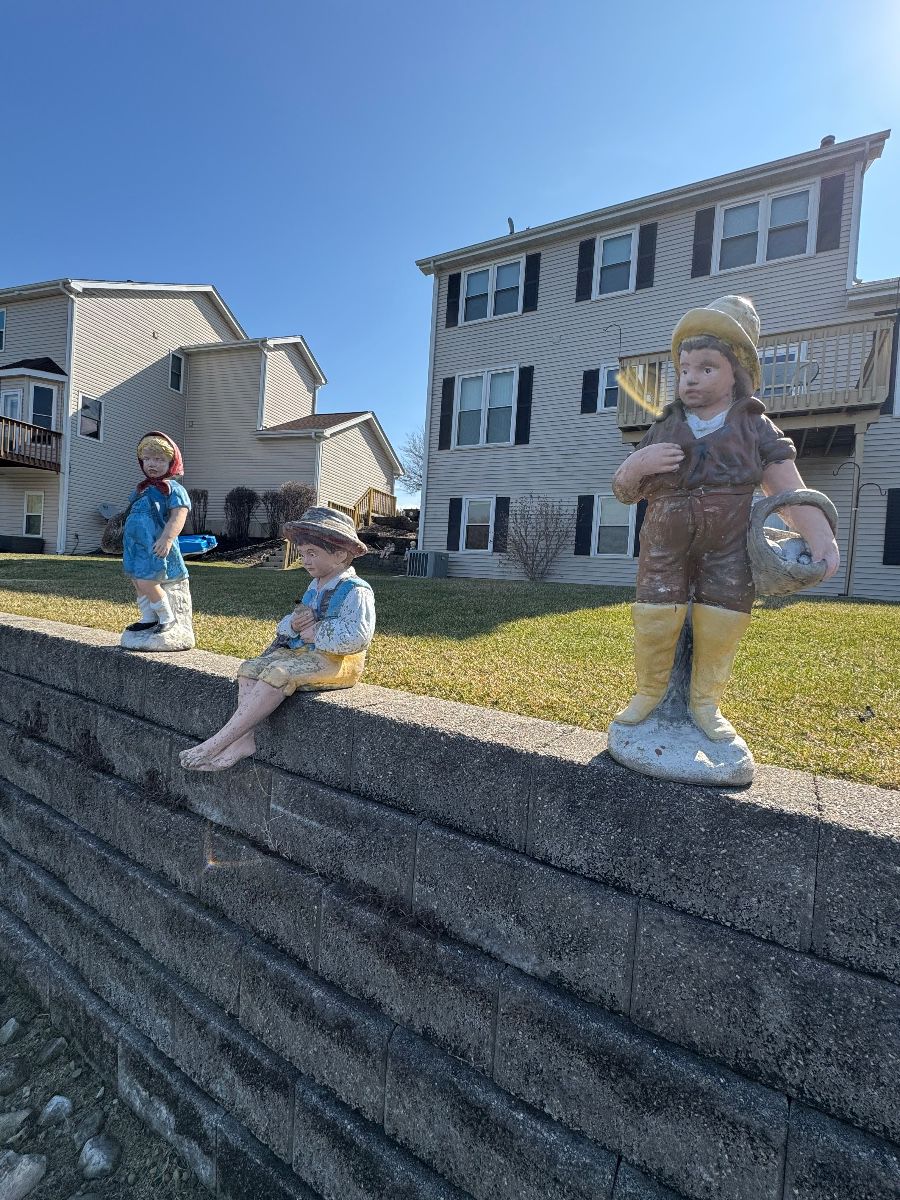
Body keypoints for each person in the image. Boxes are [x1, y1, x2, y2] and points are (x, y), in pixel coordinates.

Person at [611, 295, 839, 741]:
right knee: (654, 615)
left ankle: (705, 702)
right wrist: (637, 465)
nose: (691, 378)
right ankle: (649, 692)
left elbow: (787, 489)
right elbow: (624, 491)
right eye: (685, 369)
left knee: (723, 618)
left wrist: (819, 535)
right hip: (664, 542)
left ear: (737, 372)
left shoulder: (754, 427)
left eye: (706, 368)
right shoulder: (664, 426)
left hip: (728, 546)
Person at [179, 506, 375, 771]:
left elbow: (359, 636)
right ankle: (243, 740)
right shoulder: (315, 586)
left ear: (340, 554)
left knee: (279, 673)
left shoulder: (357, 591)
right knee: (250, 668)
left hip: (338, 662)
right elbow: (293, 622)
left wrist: (319, 632)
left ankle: (216, 743)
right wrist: (293, 624)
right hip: (306, 653)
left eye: (313, 553)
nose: (305, 560)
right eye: (303, 553)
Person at [123, 432, 191, 633]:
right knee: (137, 581)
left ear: (171, 462)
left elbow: (179, 515)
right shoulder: (142, 489)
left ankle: (166, 616)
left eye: (159, 459)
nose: (152, 464)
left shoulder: (173, 489)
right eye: (147, 459)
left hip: (155, 543)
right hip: (136, 545)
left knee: (147, 581)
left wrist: (167, 538)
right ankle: (148, 617)